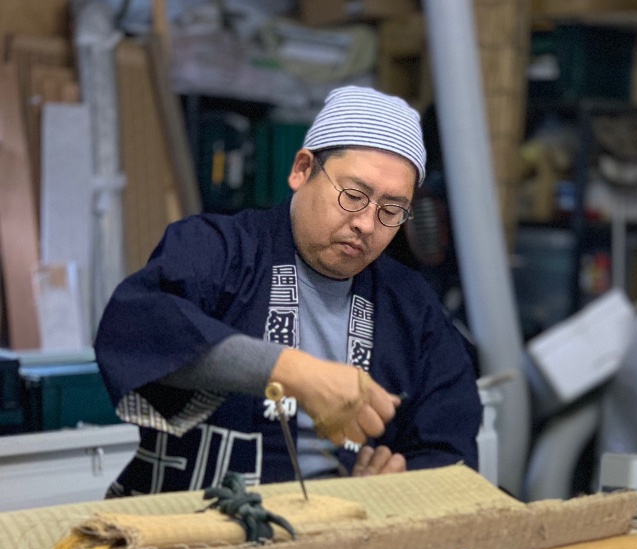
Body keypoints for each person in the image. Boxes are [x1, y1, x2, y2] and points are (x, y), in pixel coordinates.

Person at [94, 86, 482, 497]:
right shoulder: (217, 249)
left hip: (339, 523)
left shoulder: (412, 307)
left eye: (391, 211)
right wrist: (295, 372)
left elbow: (449, 445)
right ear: (302, 169)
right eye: (354, 196)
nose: (367, 224)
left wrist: (397, 483)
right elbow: (140, 328)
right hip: (192, 516)